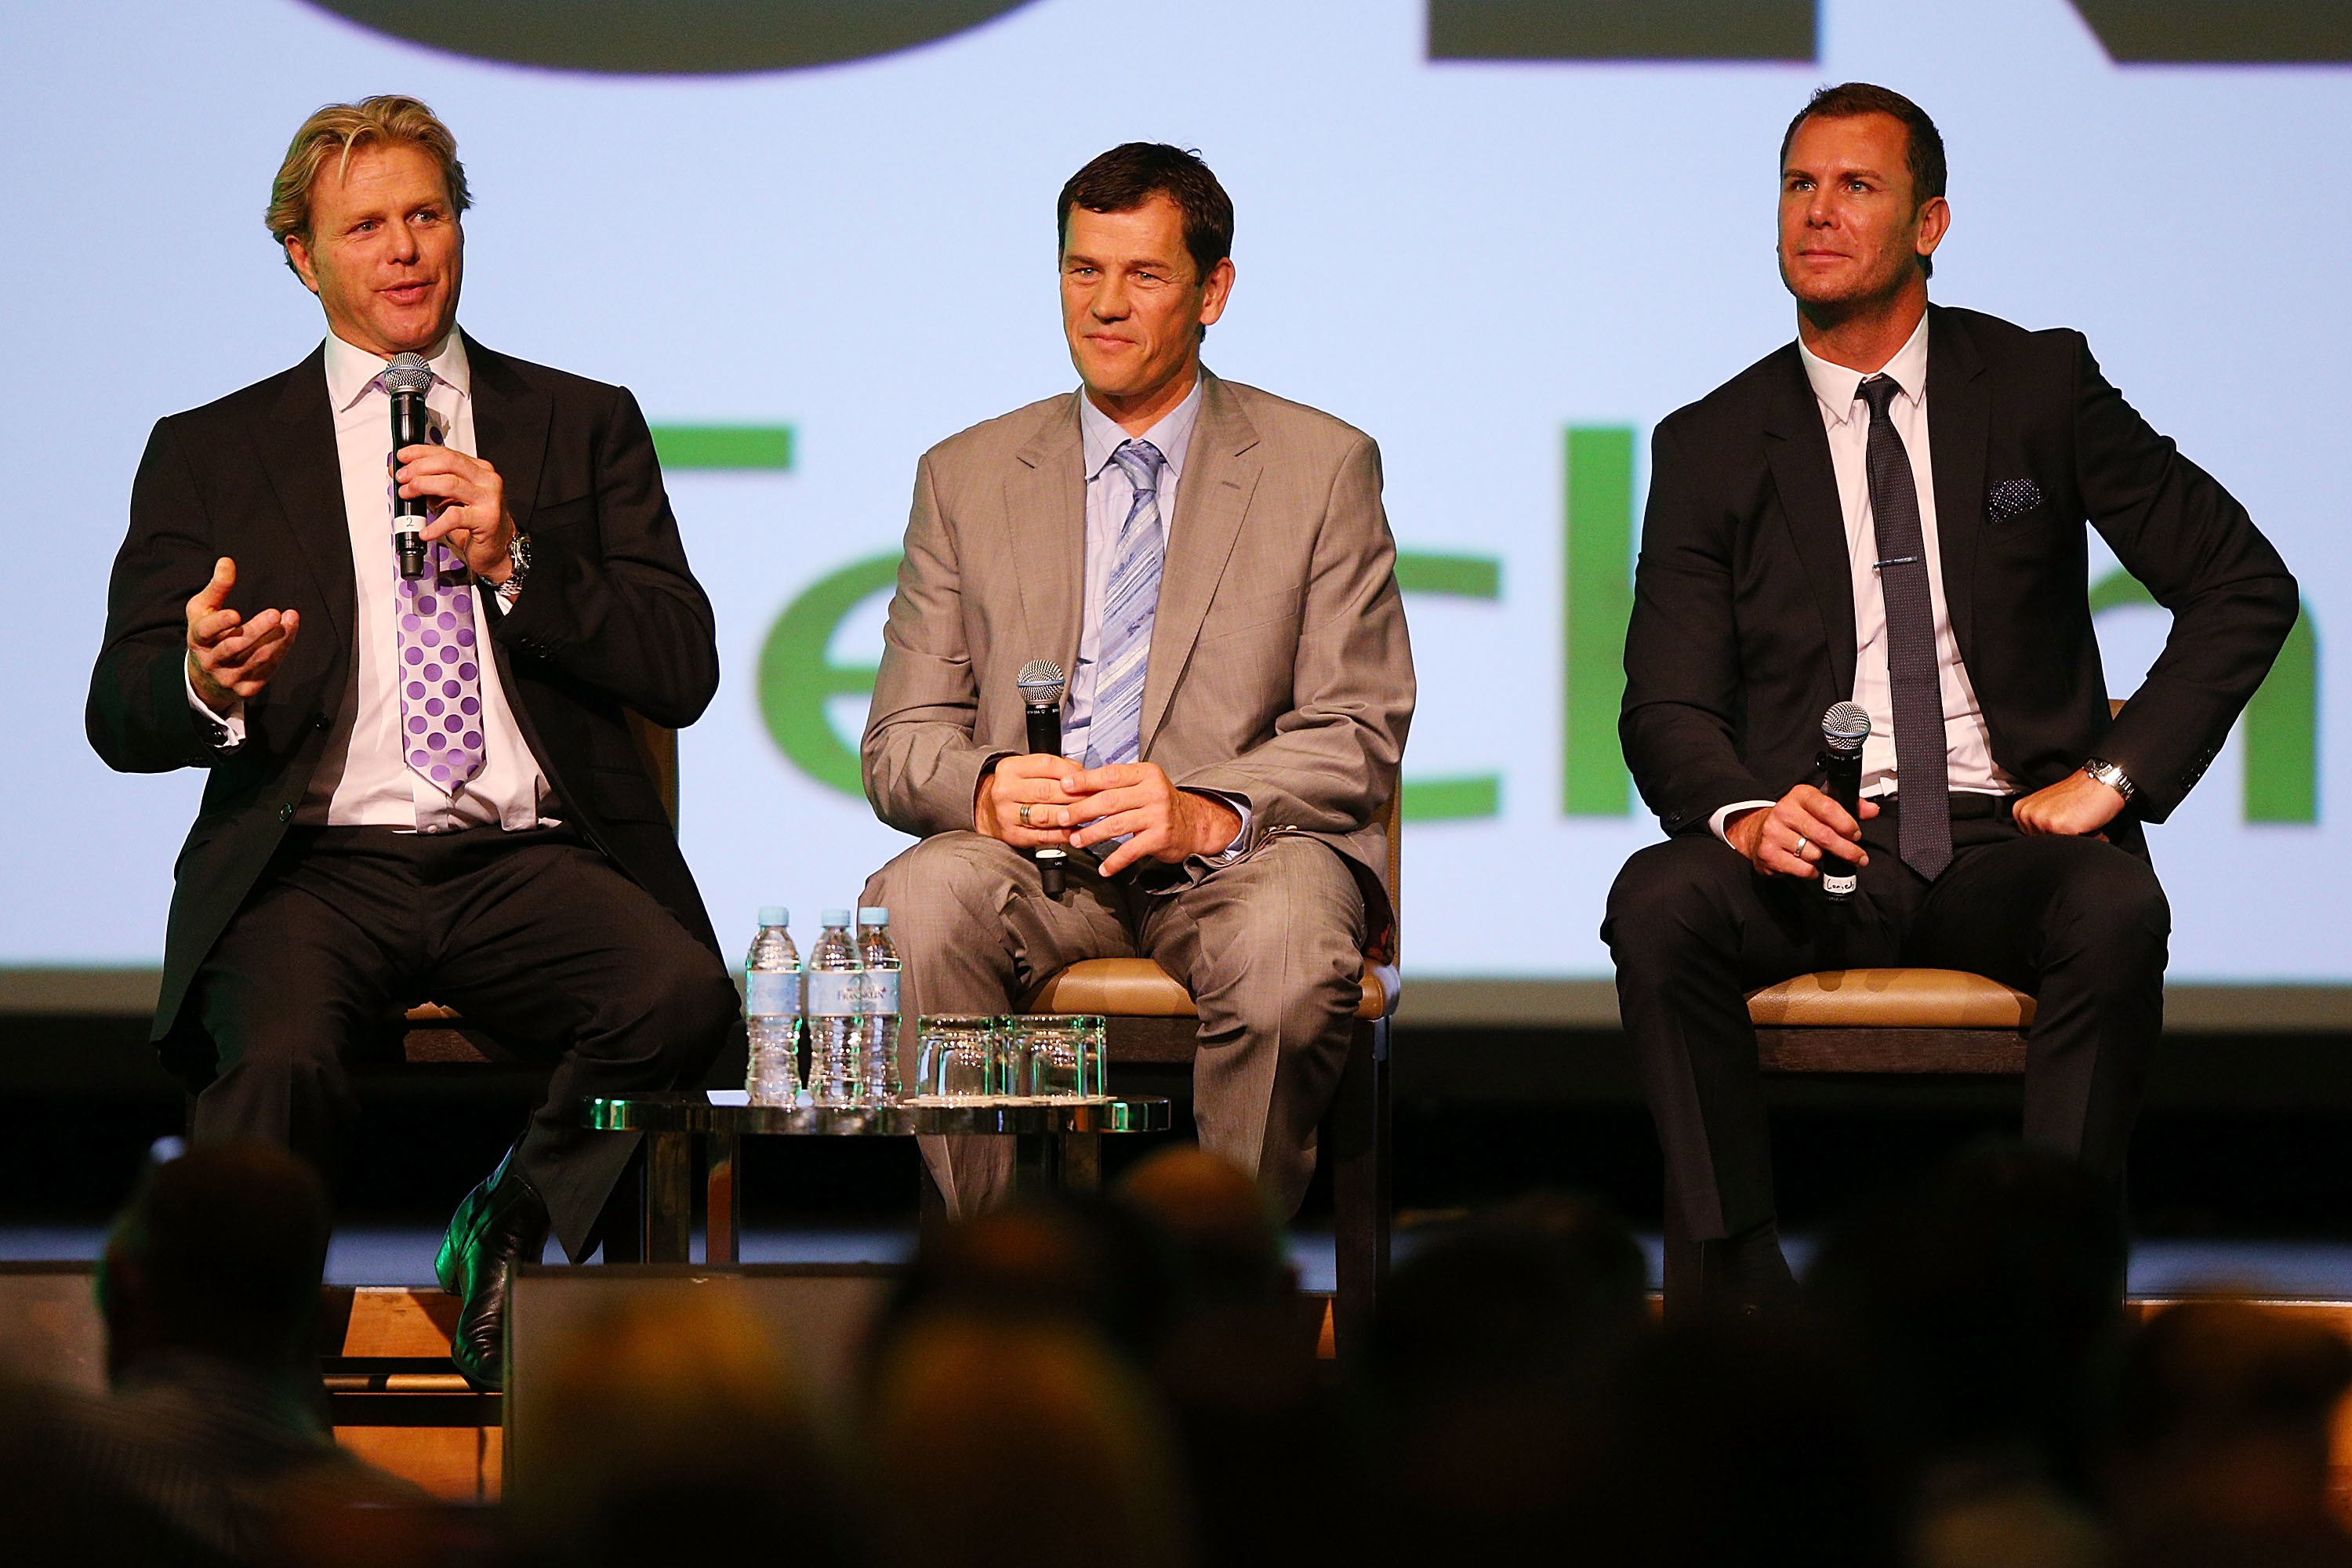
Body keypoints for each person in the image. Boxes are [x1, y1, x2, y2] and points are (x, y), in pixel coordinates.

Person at [1604, 83, 2299, 1308]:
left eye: (1855, 187)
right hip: (1818, 847)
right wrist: (1747, 814)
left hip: (2004, 834)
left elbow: (2241, 583)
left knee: (2117, 911)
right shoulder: (1711, 439)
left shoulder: (2035, 386)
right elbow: (1663, 708)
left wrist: (2118, 774)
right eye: (1798, 185)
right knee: (1658, 902)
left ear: (1930, 222)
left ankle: (2049, 1282)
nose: (1818, 214)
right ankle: (1735, 1280)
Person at [85, 96, 740, 1386]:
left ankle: (508, 1223)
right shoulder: (212, 452)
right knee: (272, 1059)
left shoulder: (578, 421)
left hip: (524, 859)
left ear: (460, 231)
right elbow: (120, 711)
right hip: (314, 865)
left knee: (677, 996)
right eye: (366, 226)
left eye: (427, 216)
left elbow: (684, 665)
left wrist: (518, 559)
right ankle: (242, 1387)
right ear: (300, 255)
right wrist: (202, 681)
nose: (404, 251)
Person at [858, 143, 1414, 1218]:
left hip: (1242, 860)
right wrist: (982, 790)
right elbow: (899, 742)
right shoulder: (965, 475)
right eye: (1083, 271)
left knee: (1292, 951)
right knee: (918, 906)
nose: (1105, 306)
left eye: (1144, 275)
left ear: (1214, 291)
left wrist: (1205, 810)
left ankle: (1223, 1297)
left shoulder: (1321, 466)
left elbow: (1358, 728)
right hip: (1039, 871)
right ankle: (999, 1288)